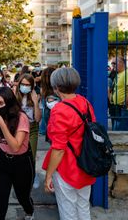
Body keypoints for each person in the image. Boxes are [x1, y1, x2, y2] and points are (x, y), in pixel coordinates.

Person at [42, 67, 96, 220]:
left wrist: (48, 176)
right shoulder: (85, 103)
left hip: (67, 166)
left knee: (68, 212)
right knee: (83, 207)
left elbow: (58, 148)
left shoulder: (59, 110)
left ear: (57, 87)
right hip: (86, 163)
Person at [0, 87, 35, 220]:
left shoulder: (21, 118)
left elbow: (16, 146)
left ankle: (29, 211)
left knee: (22, 196)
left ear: (9, 103)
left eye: (1, 103)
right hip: (2, 160)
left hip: (21, 162)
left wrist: (2, 125)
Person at [15, 74, 41, 188]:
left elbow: (38, 118)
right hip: (18, 128)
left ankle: (33, 176)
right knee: (18, 155)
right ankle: (19, 178)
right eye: (23, 84)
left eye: (27, 85)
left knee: (31, 156)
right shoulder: (15, 95)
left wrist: (35, 102)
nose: (25, 87)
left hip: (32, 128)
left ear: (32, 86)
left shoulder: (35, 96)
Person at [110, 56, 128, 130]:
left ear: (121, 63)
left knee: (121, 129)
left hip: (123, 107)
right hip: (116, 106)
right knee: (116, 128)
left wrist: (125, 103)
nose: (112, 65)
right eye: (112, 63)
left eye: (114, 63)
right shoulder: (117, 74)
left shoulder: (126, 73)